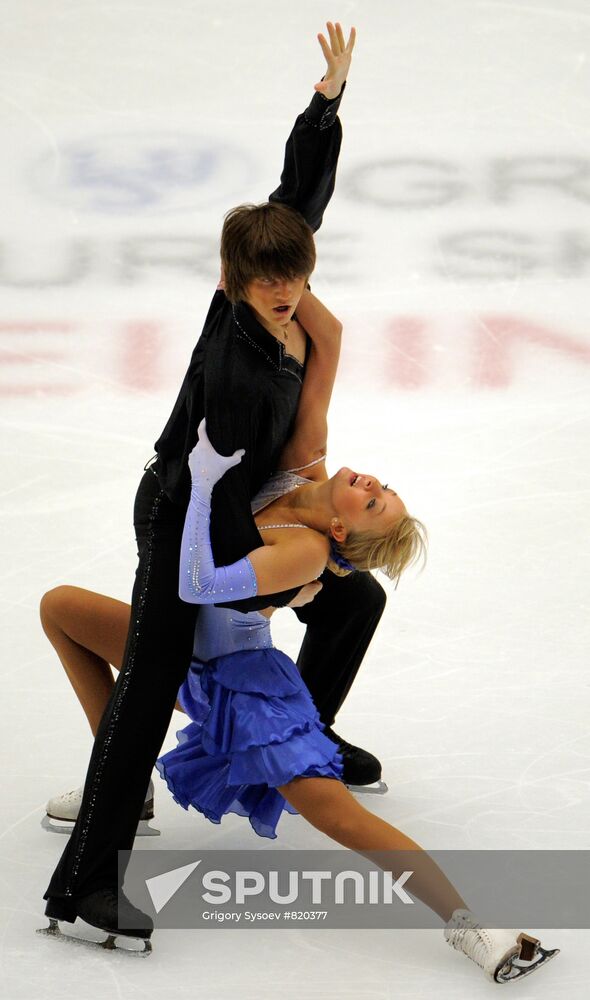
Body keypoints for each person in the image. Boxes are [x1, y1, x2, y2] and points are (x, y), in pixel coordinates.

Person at [38, 292, 558, 983]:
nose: (371, 481)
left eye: (372, 501)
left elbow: (199, 584)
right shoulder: (305, 462)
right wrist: (262, 282)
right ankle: (124, 791)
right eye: (382, 486)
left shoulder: (306, 552)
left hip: (242, 687)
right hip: (182, 650)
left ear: (342, 531)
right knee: (60, 610)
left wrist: (203, 485)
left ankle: (475, 928)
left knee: (336, 818)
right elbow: (331, 339)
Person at [42, 22, 391, 943]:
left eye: (294, 280)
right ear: (233, 283)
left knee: (353, 599)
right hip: (184, 514)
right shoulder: (237, 369)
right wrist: (259, 582)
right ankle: (86, 885)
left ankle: (306, 729)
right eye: (269, 284)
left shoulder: (281, 290)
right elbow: (217, 504)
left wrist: (326, 104)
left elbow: (296, 201)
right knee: (150, 685)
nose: (286, 295)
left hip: (235, 507)